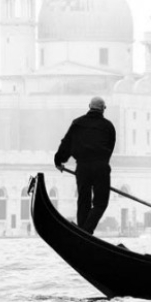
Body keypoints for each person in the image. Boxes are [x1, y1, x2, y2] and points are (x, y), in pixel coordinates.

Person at [55, 96, 116, 234]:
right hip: (101, 167)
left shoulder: (77, 123)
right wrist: (102, 162)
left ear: (89, 106)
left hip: (83, 167)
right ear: (103, 109)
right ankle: (86, 232)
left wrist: (58, 161)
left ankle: (82, 233)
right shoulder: (108, 126)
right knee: (100, 203)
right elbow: (110, 148)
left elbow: (66, 144)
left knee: (83, 202)